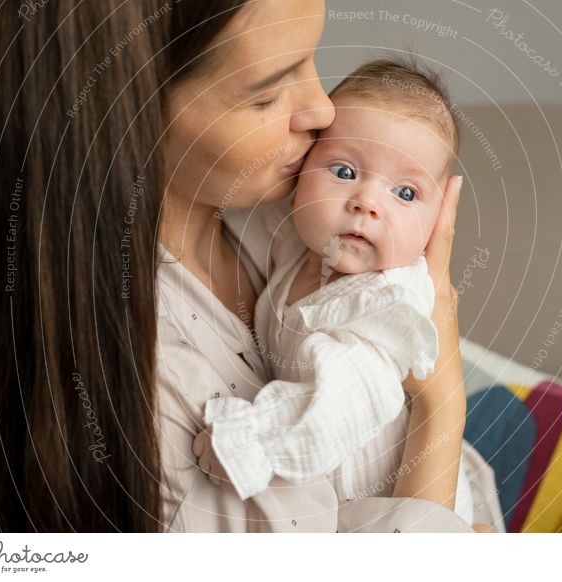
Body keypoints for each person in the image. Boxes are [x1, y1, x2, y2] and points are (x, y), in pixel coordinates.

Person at [0, 0, 501, 533]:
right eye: (267, 92)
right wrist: (441, 403)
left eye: (310, 60)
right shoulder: (147, 406)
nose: (324, 108)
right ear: (121, 117)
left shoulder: (273, 214)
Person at [194, 58, 497, 529]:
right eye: (344, 171)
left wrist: (252, 442)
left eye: (405, 194)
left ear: (440, 217)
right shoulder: (301, 242)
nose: (367, 203)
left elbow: (346, 401)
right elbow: (231, 214)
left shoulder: (385, 301)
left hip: (403, 506)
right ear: (300, 175)